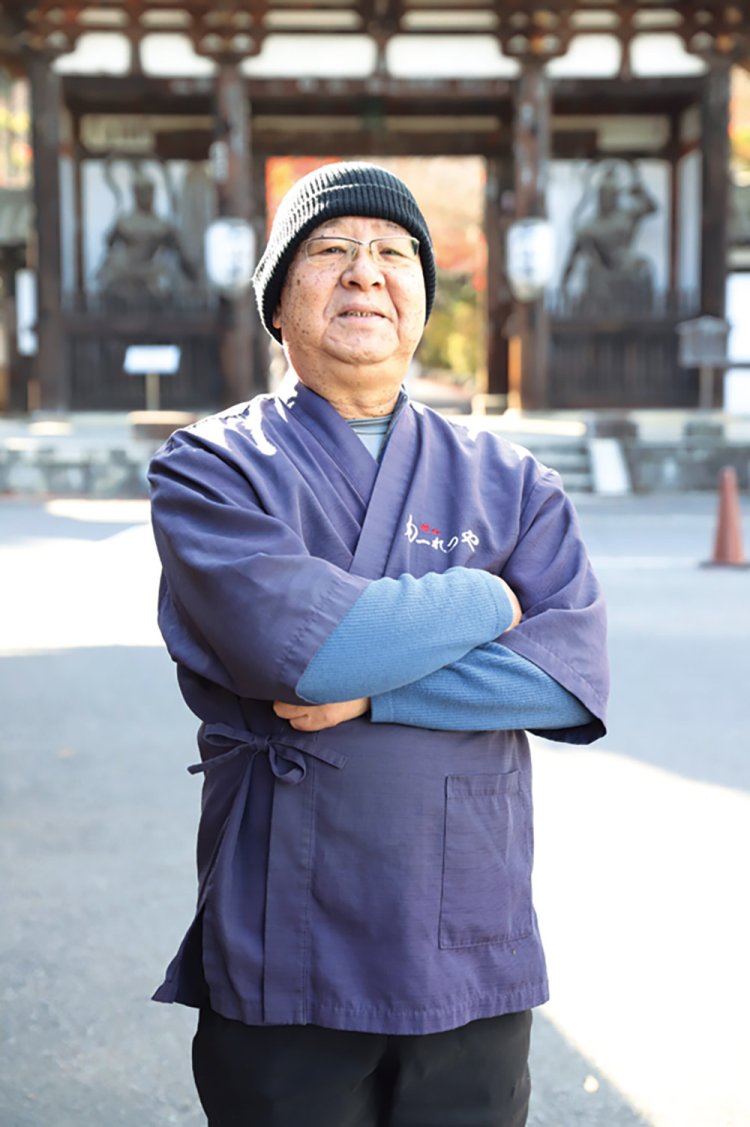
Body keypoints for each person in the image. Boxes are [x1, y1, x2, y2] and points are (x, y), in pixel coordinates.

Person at [148, 161, 609, 1126]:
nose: (366, 272)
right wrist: (485, 595)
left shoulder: (511, 477)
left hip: (468, 925)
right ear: (280, 302)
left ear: (422, 302)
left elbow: (570, 679)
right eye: (332, 252)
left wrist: (377, 694)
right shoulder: (213, 468)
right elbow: (307, 657)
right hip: (291, 920)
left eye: (394, 254)